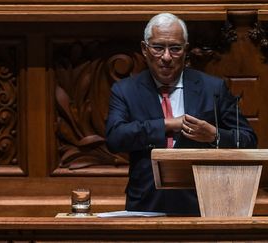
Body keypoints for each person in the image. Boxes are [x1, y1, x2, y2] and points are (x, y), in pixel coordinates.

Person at [105, 13, 257, 215]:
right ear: (144, 49)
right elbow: (115, 137)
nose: (166, 57)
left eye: (175, 48)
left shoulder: (212, 88)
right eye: (158, 48)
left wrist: (215, 136)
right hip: (146, 204)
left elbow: (248, 139)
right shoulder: (126, 90)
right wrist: (168, 124)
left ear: (185, 50)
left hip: (203, 204)